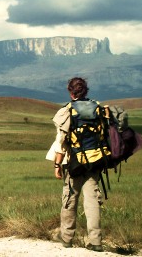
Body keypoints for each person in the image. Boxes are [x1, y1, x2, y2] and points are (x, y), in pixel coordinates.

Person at [48, 77, 106, 252]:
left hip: (75, 164)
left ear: (70, 91)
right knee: (92, 201)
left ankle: (66, 238)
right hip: (95, 160)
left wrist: (57, 166)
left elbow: (61, 143)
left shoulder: (67, 111)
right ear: (86, 90)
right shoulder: (99, 108)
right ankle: (95, 241)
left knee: (69, 200)